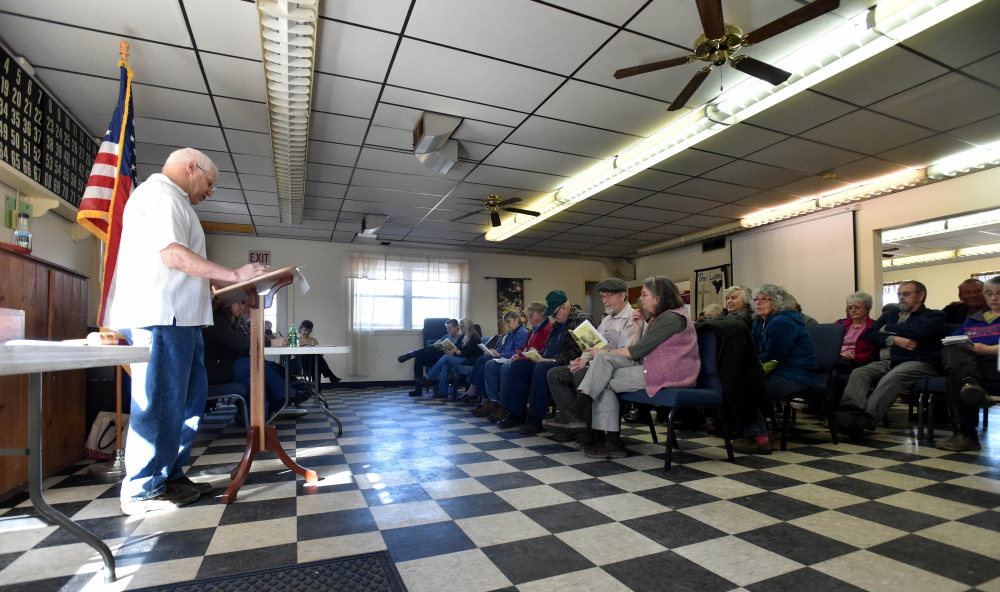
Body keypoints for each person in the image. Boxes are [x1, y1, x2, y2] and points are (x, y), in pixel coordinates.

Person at [104, 148, 267, 515]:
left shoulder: (178, 202)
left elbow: (185, 262)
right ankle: (143, 488)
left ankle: (170, 475)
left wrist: (222, 284)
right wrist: (236, 275)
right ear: (190, 167)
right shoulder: (161, 195)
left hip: (186, 320)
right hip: (163, 318)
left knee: (189, 400)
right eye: (209, 183)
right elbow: (173, 256)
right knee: (161, 402)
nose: (210, 191)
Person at [560, 277, 699, 459]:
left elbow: (638, 351)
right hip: (658, 369)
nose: (640, 299)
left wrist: (602, 353)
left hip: (670, 374)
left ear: (658, 298)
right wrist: (641, 328)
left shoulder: (671, 318)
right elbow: (646, 348)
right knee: (603, 369)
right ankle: (603, 436)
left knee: (603, 374)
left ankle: (587, 422)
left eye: (644, 294)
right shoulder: (664, 317)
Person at [830, 280, 945, 433]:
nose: (901, 297)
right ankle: (850, 412)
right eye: (899, 294)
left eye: (906, 294)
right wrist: (895, 339)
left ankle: (865, 419)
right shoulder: (892, 314)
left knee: (893, 377)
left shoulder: (934, 316)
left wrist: (886, 328)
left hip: (918, 362)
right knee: (860, 373)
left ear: (921, 295)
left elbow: (919, 332)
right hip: (889, 361)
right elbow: (870, 334)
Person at [543, 278, 640, 441]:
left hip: (619, 369)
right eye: (603, 297)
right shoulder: (607, 319)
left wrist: (589, 362)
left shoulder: (632, 319)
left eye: (608, 296)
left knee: (582, 375)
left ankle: (588, 430)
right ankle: (573, 422)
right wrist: (582, 360)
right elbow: (593, 345)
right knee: (555, 374)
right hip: (598, 364)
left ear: (622, 295)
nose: (604, 301)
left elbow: (628, 353)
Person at [733, 284, 817, 455]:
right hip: (778, 370)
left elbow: (775, 355)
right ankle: (750, 432)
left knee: (751, 388)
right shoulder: (760, 322)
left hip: (796, 374)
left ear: (777, 302)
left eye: (764, 299)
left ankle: (760, 441)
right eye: (756, 299)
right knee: (741, 383)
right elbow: (756, 351)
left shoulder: (783, 321)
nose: (758, 303)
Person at [496, 290, 592, 433]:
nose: (552, 317)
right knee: (517, 366)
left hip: (565, 362)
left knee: (541, 367)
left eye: (554, 313)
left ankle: (536, 418)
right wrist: (535, 355)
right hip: (547, 359)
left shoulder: (582, 320)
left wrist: (551, 359)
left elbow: (581, 350)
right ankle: (516, 414)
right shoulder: (557, 323)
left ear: (564, 307)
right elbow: (547, 347)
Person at [203, 298, 305, 417]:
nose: (241, 307)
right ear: (227, 303)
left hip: (224, 368)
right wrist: (271, 342)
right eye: (239, 303)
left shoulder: (227, 321)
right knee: (257, 363)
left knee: (256, 380)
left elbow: (243, 343)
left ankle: (258, 422)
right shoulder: (217, 321)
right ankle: (286, 395)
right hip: (215, 373)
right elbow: (240, 343)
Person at [936, 277, 1000, 451]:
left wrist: (987, 349)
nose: (994, 298)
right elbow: (954, 339)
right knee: (952, 348)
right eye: (990, 294)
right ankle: (969, 381)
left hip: (995, 363)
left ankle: (967, 436)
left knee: (957, 377)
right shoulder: (974, 319)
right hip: (972, 363)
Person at [480, 302, 550, 422]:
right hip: (526, 360)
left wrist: (517, 355)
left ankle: (506, 406)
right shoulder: (531, 330)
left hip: (537, 362)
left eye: (531, 315)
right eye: (528, 316)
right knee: (489, 363)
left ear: (541, 314)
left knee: (508, 367)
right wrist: (518, 355)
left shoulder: (546, 329)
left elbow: (545, 350)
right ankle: (493, 401)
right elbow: (524, 348)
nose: (528, 318)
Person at [467, 311, 528, 410]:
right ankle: (488, 400)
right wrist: (493, 351)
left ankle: (478, 392)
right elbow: (503, 347)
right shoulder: (512, 333)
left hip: (510, 360)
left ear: (517, 320)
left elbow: (517, 352)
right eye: (506, 322)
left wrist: (499, 354)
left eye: (508, 322)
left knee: (483, 360)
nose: (507, 324)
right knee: (484, 364)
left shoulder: (522, 334)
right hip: (503, 357)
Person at [398, 319, 461, 397]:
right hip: (436, 358)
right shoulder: (445, 336)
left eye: (449, 328)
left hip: (448, 359)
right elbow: (436, 345)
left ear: (456, 327)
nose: (448, 331)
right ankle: (418, 389)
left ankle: (410, 354)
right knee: (419, 358)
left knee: (434, 351)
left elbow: (460, 353)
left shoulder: (460, 338)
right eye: (447, 328)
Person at [426, 317, 482, 398]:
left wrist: (457, 353)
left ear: (467, 326)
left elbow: (470, 352)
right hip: (462, 357)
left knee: (445, 358)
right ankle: (442, 392)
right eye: (460, 326)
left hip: (469, 360)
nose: (460, 328)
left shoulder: (473, 336)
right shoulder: (463, 336)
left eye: (462, 327)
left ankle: (430, 377)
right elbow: (457, 347)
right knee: (445, 365)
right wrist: (454, 351)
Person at [295, 319, 341, 386]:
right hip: (301, 362)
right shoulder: (296, 338)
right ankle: (331, 377)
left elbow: (320, 352)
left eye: (309, 331)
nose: (307, 332)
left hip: (312, 363)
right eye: (305, 330)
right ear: (300, 329)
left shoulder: (313, 340)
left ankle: (317, 390)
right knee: (317, 361)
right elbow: (294, 353)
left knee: (317, 364)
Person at [837, 292, 876, 368]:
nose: (853, 310)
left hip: (856, 362)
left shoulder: (874, 327)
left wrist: (852, 358)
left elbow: (872, 354)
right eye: (850, 308)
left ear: (867, 308)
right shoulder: (839, 324)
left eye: (857, 307)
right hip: (838, 357)